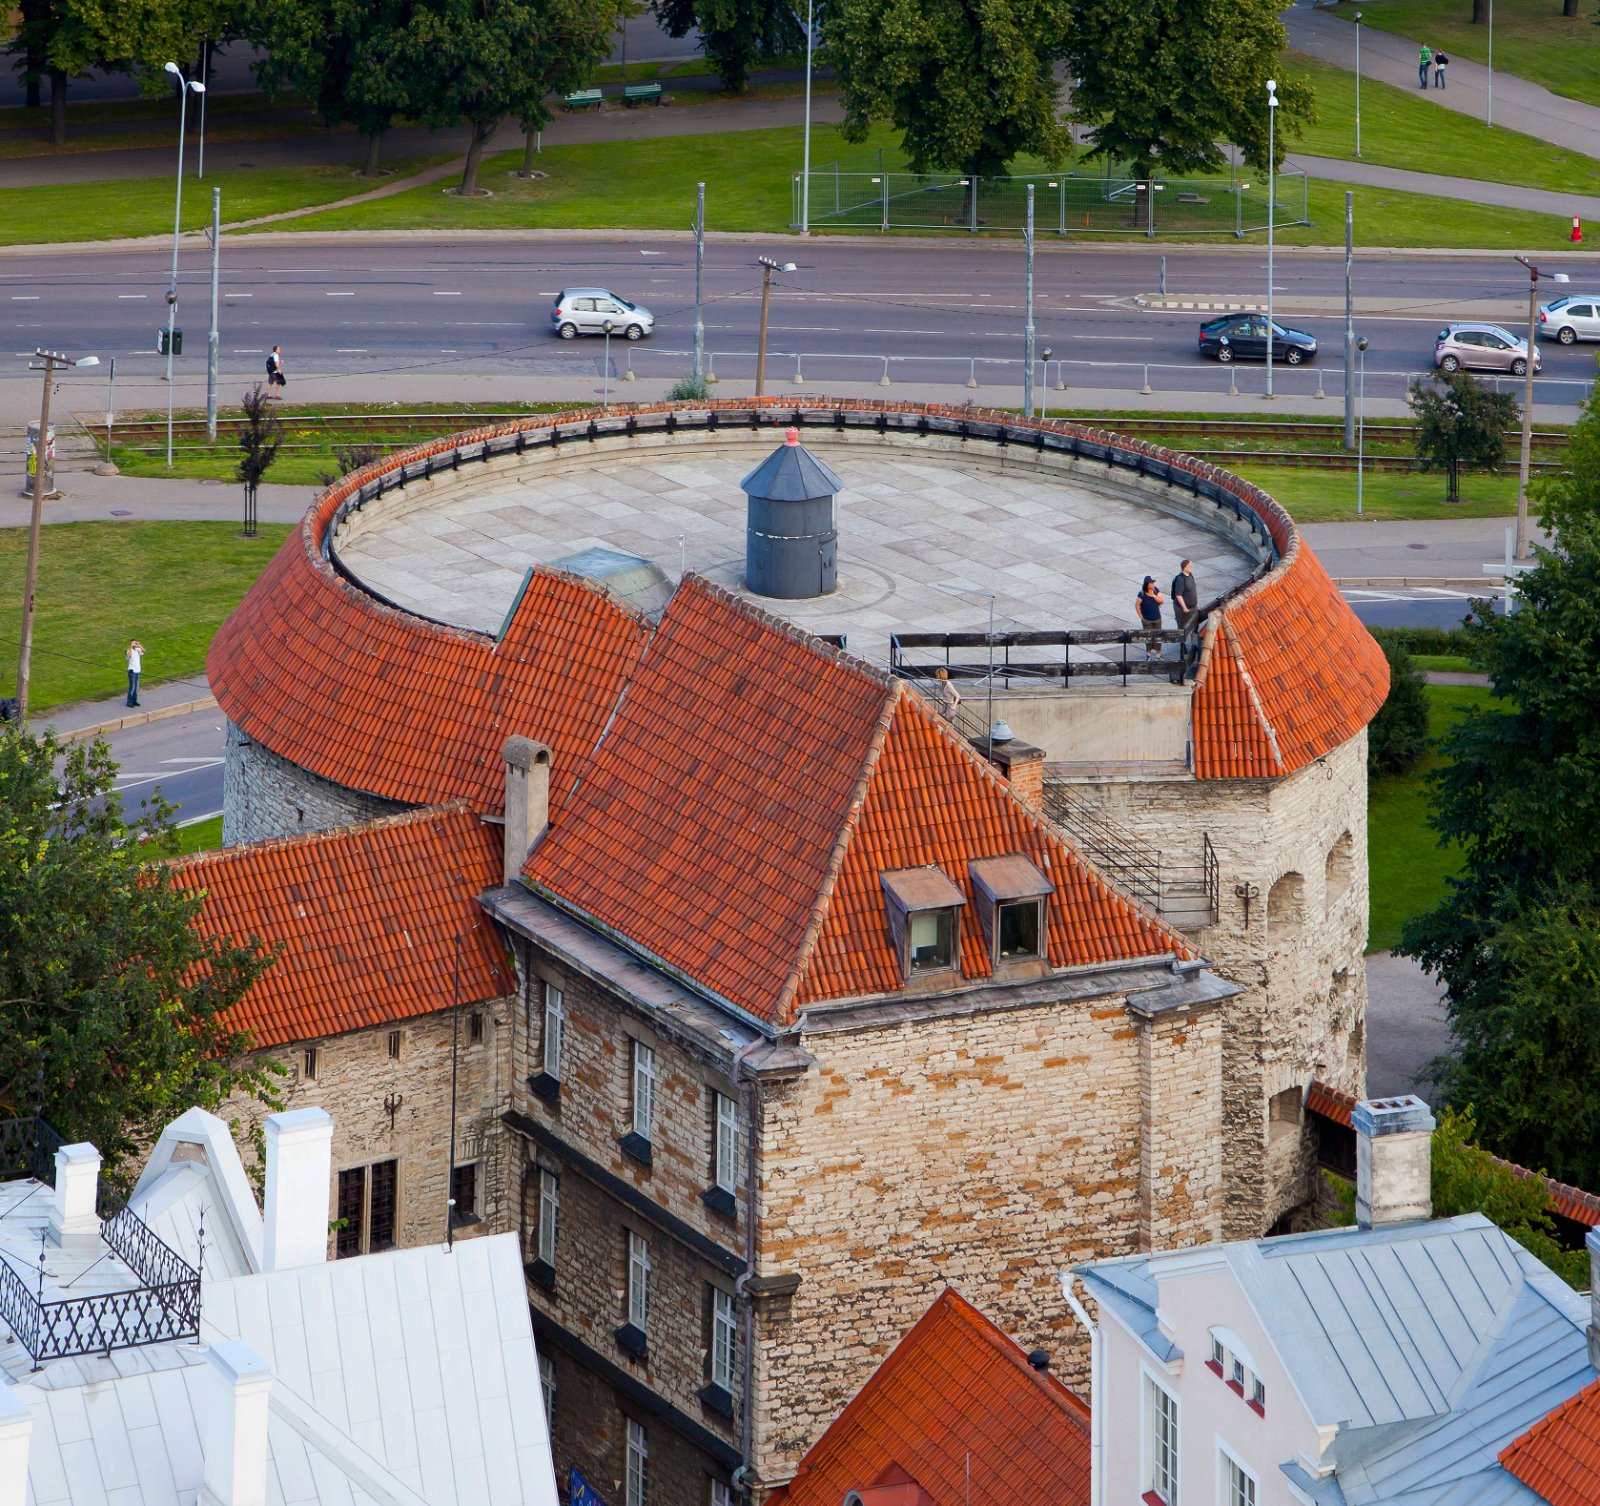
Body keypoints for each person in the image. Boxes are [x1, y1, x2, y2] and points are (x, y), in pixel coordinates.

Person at [1170, 558, 1200, 649]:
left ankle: (1194, 645)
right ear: (1184, 567)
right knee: (1182, 628)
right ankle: (1182, 647)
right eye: (1189, 566)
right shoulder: (1180, 579)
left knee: (1195, 627)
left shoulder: (1190, 575)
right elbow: (1178, 595)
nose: (1191, 567)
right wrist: (1184, 607)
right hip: (1183, 609)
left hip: (1193, 607)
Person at [1135, 576, 1166, 661]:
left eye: (1153, 583)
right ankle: (1148, 654)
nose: (1152, 584)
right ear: (1147, 584)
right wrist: (1142, 618)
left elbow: (1162, 601)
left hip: (1157, 618)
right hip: (1147, 620)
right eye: (1151, 583)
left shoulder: (1155, 590)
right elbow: (1137, 605)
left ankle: (1158, 654)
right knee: (1148, 637)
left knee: (1158, 636)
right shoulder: (1142, 594)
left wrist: (1154, 596)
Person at [126, 638, 145, 707]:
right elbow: (128, 656)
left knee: (136, 687)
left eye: (135, 643)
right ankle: (129, 702)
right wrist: (131, 647)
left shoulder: (138, 650)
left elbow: (144, 651)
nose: (134, 644)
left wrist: (139, 645)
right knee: (132, 687)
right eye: (133, 643)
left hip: (137, 671)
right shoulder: (128, 651)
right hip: (132, 671)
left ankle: (134, 701)